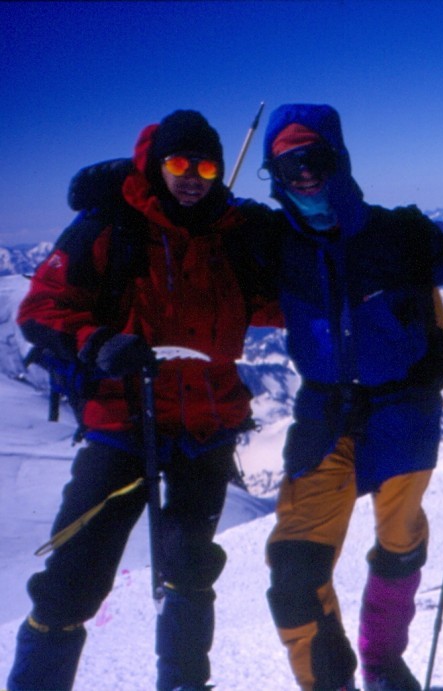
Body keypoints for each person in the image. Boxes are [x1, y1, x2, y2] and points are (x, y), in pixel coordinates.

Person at [8, 110, 279, 691]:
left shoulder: (229, 237)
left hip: (205, 427)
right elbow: (39, 311)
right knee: (74, 576)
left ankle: (183, 683)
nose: (193, 176)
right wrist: (97, 342)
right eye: (179, 162)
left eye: (206, 164)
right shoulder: (110, 228)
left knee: (189, 567)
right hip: (123, 422)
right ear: (155, 163)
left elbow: (275, 305)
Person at [260, 103, 443, 691]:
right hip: (324, 414)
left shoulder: (400, 235)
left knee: (400, 544)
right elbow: (190, 245)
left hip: (404, 412)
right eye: (287, 166)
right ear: (272, 176)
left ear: (339, 159)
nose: (303, 174)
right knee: (293, 573)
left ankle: (382, 661)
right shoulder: (271, 243)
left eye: (315, 159)